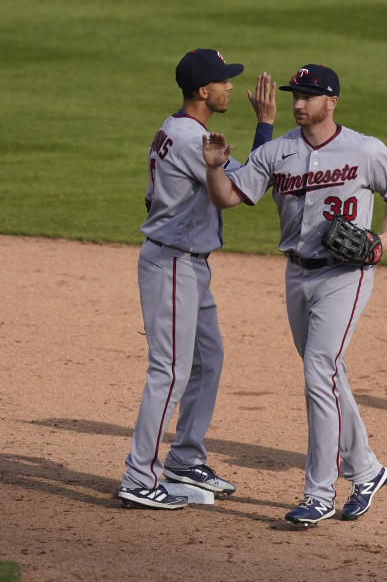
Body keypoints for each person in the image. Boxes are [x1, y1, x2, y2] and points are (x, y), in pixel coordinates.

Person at [201, 63, 387, 525]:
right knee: (328, 372)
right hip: (296, 276)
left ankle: (318, 493)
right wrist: (216, 168)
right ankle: (368, 470)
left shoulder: (364, 150)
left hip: (345, 276)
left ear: (331, 102)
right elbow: (229, 198)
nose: (297, 103)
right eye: (294, 95)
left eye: (308, 96)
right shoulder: (277, 152)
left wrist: (383, 242)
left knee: (319, 370)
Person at [118, 49, 277, 509]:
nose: (231, 87)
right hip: (173, 266)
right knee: (169, 372)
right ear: (203, 91)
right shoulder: (192, 140)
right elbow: (236, 192)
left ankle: (185, 459)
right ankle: (138, 477)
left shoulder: (177, 129)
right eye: (223, 82)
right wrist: (265, 127)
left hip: (186, 263)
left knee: (207, 359)